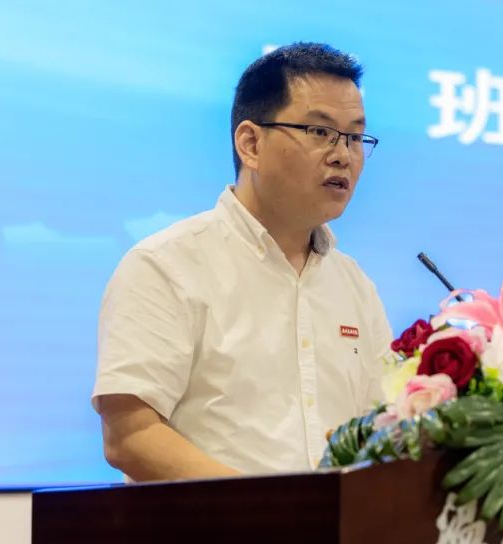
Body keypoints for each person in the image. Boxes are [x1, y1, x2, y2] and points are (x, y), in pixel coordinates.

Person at [91, 43, 393, 481]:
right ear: (250, 143)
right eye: (320, 131)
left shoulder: (355, 286)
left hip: (334, 526)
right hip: (220, 525)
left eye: (354, 137)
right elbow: (130, 435)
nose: (343, 155)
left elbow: (385, 430)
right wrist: (268, 510)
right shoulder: (166, 266)